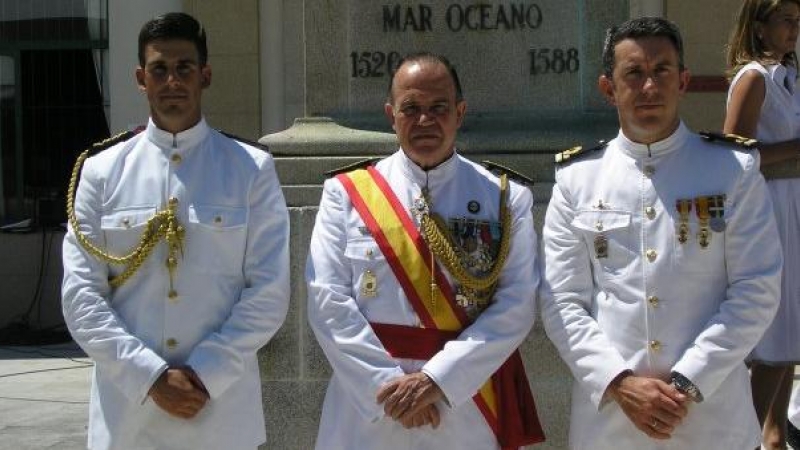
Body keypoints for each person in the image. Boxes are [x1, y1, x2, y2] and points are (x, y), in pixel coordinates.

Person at [540, 16, 783, 450]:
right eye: (633, 73)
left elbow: (757, 287)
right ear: (608, 88)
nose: (649, 86)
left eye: (662, 71)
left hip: (711, 419)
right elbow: (561, 300)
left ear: (683, 80)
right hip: (612, 423)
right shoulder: (577, 180)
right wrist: (619, 383)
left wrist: (688, 382)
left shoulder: (733, 171)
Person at [61, 12, 290, 450]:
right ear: (140, 78)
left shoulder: (249, 169)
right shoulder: (101, 173)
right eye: (159, 69)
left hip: (219, 410)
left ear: (204, 75)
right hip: (130, 413)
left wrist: (204, 372)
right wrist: (149, 377)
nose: (172, 81)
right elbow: (81, 296)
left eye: (184, 67)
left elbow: (269, 291)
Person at [306, 52, 544, 449]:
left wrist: (438, 381)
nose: (424, 120)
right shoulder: (346, 194)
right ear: (391, 114)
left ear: (460, 112)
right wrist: (389, 389)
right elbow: (326, 299)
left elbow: (517, 303)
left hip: (465, 404)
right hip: (369, 408)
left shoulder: (503, 197)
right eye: (411, 108)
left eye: (438, 108)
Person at [724, 1, 800, 447]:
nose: (794, 30)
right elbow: (735, 154)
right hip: (770, 208)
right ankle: (745, 437)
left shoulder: (787, 75)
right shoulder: (754, 78)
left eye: (797, 22)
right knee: (773, 331)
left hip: (794, 203)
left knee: (790, 328)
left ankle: (773, 436)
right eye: (786, 21)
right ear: (759, 26)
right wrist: (795, 148)